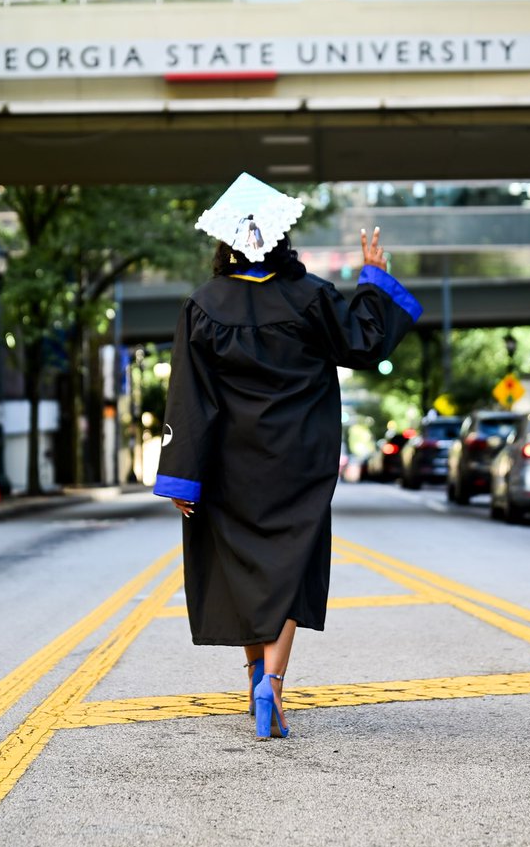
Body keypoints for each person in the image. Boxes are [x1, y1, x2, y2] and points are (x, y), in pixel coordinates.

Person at [154, 173, 422, 739]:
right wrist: (373, 276)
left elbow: (189, 396)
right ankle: (272, 684)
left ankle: (254, 675)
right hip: (299, 461)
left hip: (230, 464)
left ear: (225, 241)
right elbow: (365, 343)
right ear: (280, 237)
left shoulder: (201, 306)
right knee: (290, 565)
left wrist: (182, 478)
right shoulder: (311, 297)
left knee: (244, 570)